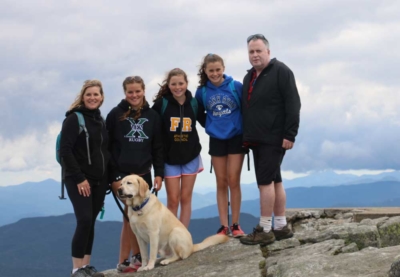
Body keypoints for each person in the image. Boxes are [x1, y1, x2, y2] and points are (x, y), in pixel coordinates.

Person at [239, 34, 301, 245]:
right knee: (275, 180)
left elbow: (293, 103)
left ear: (268, 51)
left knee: (264, 182)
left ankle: (264, 229)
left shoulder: (281, 71)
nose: (255, 55)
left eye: (258, 50)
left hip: (272, 138)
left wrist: (290, 134)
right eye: (251, 51)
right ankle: (281, 226)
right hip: (257, 139)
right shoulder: (250, 77)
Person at [106, 76, 164, 273]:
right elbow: (107, 146)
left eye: (137, 91)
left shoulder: (153, 116)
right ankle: (131, 258)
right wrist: (112, 175)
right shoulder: (115, 114)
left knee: (135, 215)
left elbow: (157, 147)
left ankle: (131, 259)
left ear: (144, 90)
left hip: (144, 175)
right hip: (120, 176)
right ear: (125, 93)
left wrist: (159, 173)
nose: (134, 95)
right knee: (129, 215)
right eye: (130, 92)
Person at [59, 80, 109, 277]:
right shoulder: (73, 119)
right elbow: (65, 151)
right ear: (83, 96)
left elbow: (104, 151)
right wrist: (80, 178)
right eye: (89, 94)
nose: (92, 98)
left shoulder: (99, 120)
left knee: (91, 222)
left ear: (102, 97)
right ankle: (76, 269)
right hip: (77, 179)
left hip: (98, 180)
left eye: (96, 94)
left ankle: (86, 266)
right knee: (84, 220)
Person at [194, 54, 246, 238]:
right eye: (211, 70)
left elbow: (245, 109)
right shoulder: (202, 92)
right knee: (221, 182)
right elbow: (199, 113)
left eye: (218, 69)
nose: (215, 73)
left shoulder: (235, 86)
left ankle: (236, 224)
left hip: (236, 138)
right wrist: (211, 126)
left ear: (223, 68)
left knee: (234, 181)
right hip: (216, 139)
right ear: (205, 71)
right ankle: (224, 226)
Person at [152, 68, 204, 228]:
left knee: (186, 198)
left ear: (187, 84)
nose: (177, 87)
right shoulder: (162, 104)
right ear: (168, 85)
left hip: (191, 156)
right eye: (173, 84)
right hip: (170, 159)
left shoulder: (194, 103)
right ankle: (170, 238)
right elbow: (152, 127)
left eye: (181, 83)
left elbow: (207, 122)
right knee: (173, 200)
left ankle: (183, 237)